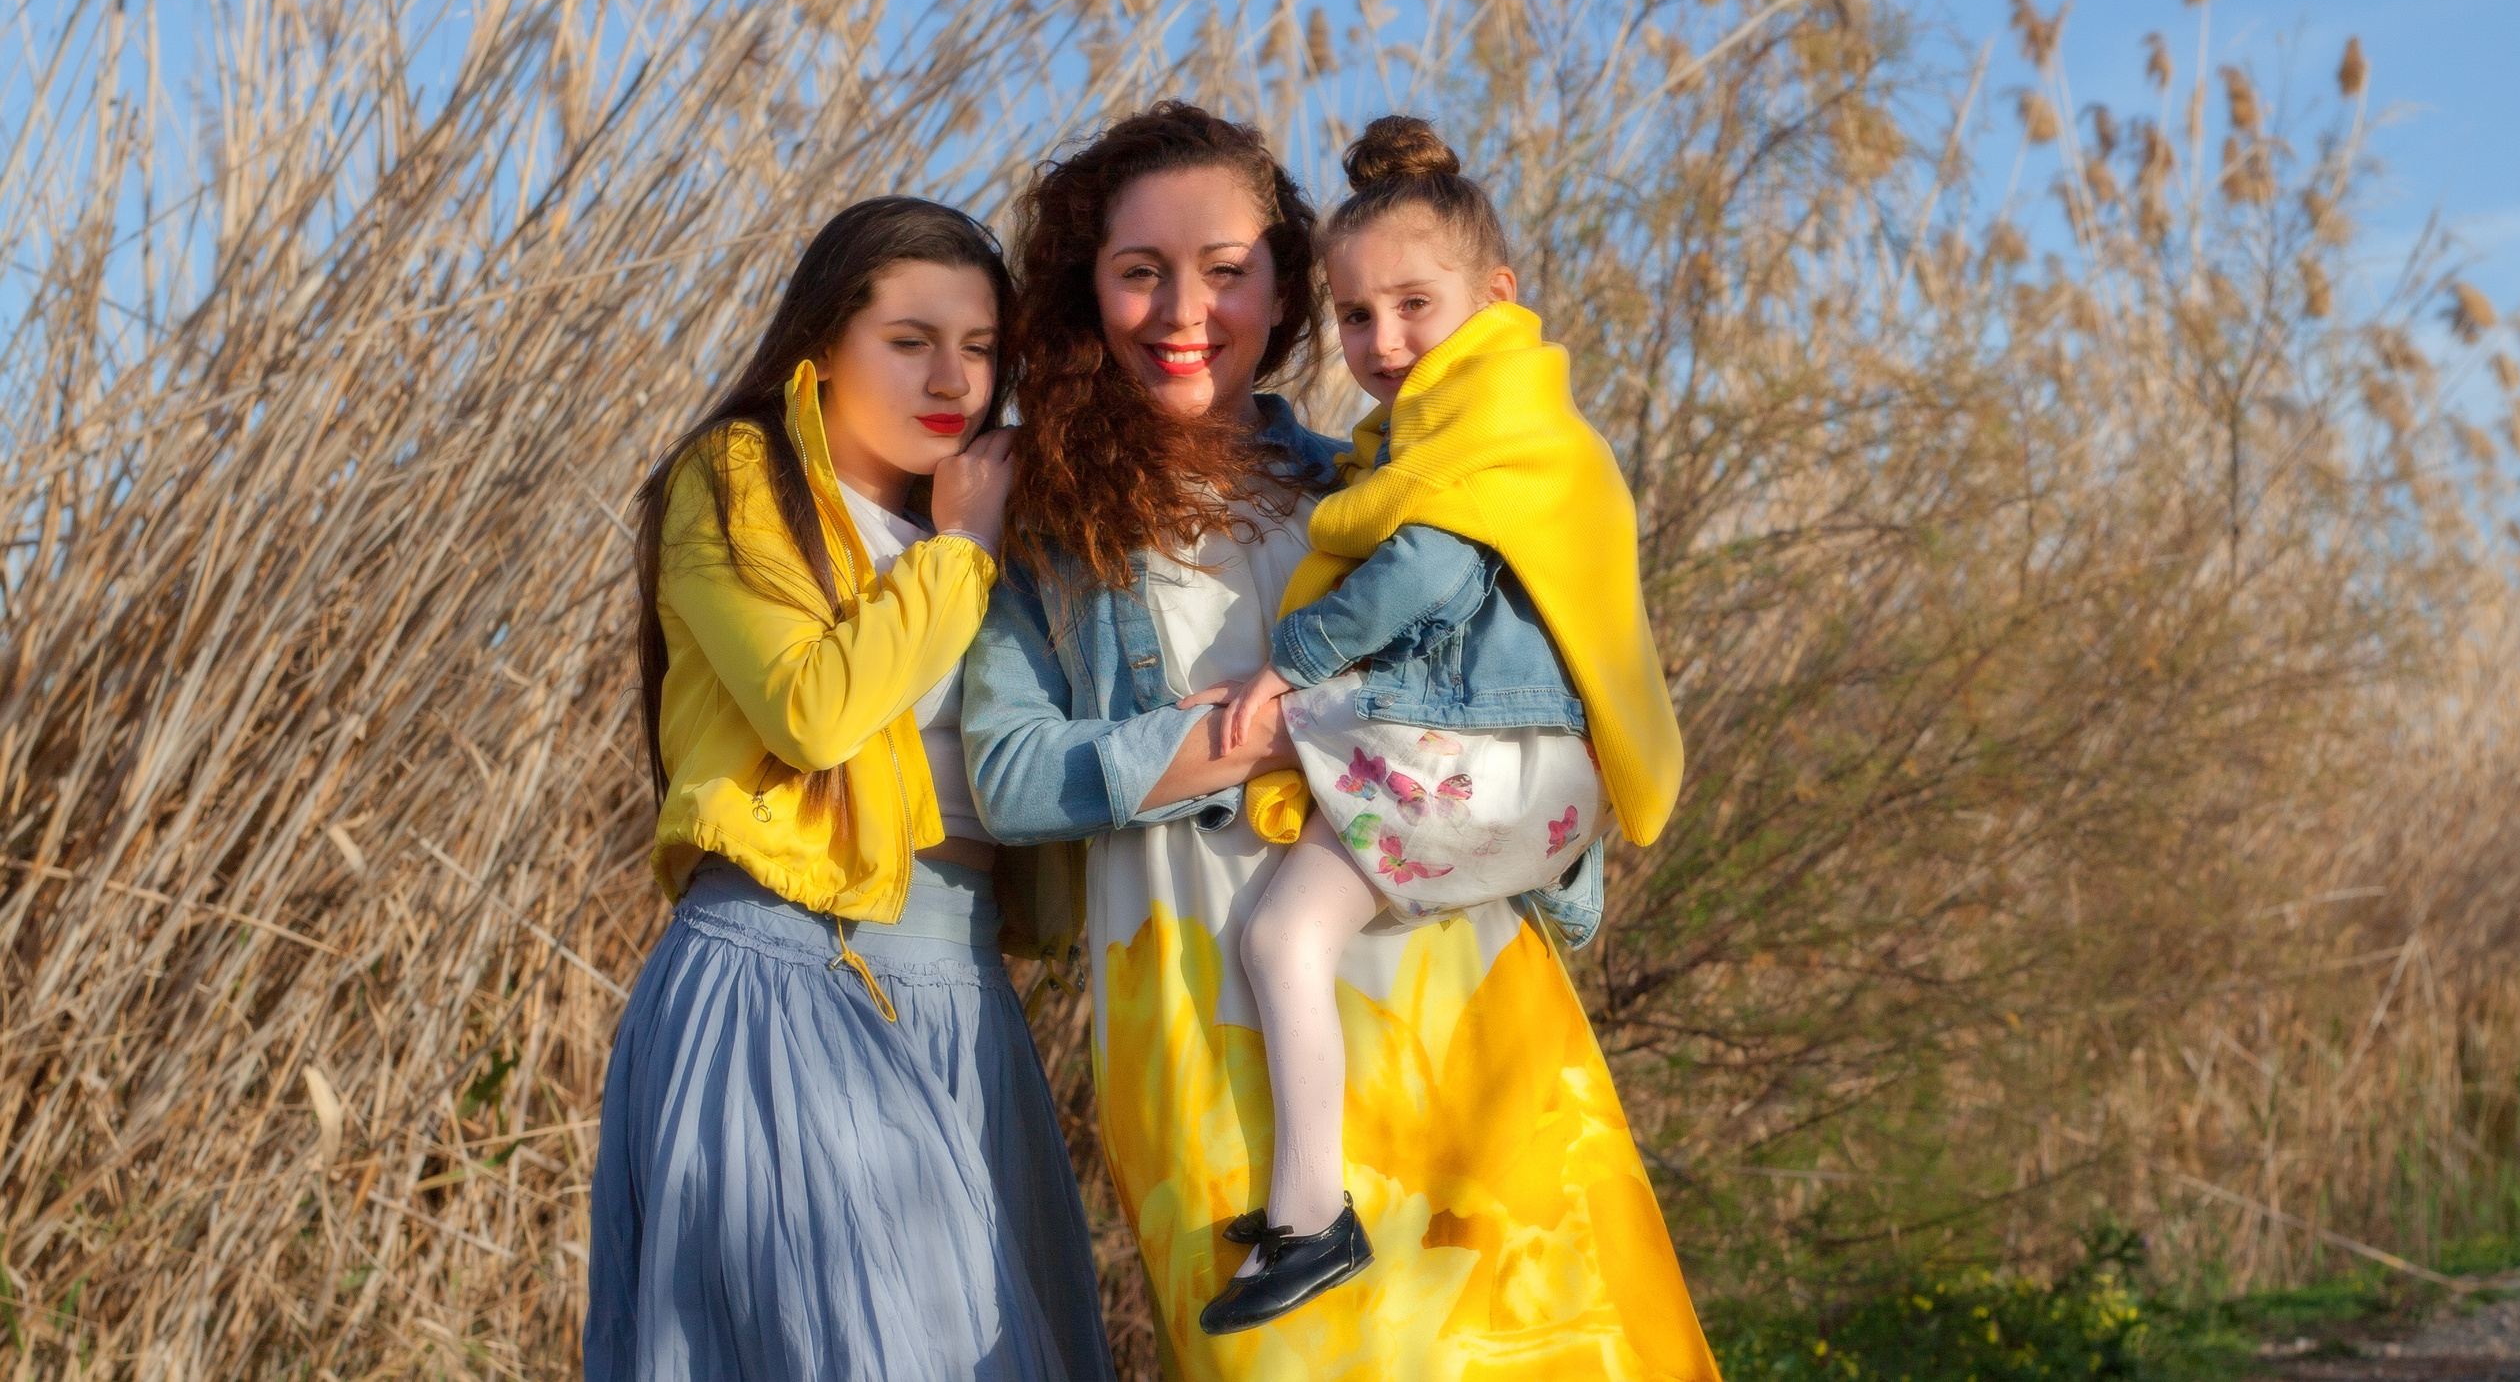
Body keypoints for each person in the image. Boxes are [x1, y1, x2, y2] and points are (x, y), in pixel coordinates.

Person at [966, 104, 1718, 1379]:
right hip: (1203, 1001)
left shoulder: (1367, 482)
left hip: (1450, 983)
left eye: (1225, 269)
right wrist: (1257, 739)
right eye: (1139, 269)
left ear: (1284, 283)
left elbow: (1551, 705)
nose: (1181, 307)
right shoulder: (1042, 517)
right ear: (1085, 287)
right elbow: (1007, 774)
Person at [586, 197, 1114, 1382]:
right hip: (791, 973)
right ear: (821, 353)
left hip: (964, 992)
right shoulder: (736, 477)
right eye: (911, 339)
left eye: (981, 348)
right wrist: (961, 550)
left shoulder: (997, 523)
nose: (955, 378)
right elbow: (813, 709)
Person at [1190, 115, 1687, 1333]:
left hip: (1480, 748)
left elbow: (1420, 575)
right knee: (1291, 929)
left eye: (1414, 304)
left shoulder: (1489, 431)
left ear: (1496, 294)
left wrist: (1281, 666)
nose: (1382, 340)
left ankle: (1314, 1214)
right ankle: (1310, 1195)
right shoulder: (1464, 426)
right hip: (1495, 754)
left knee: (1283, 936)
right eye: (1356, 317)